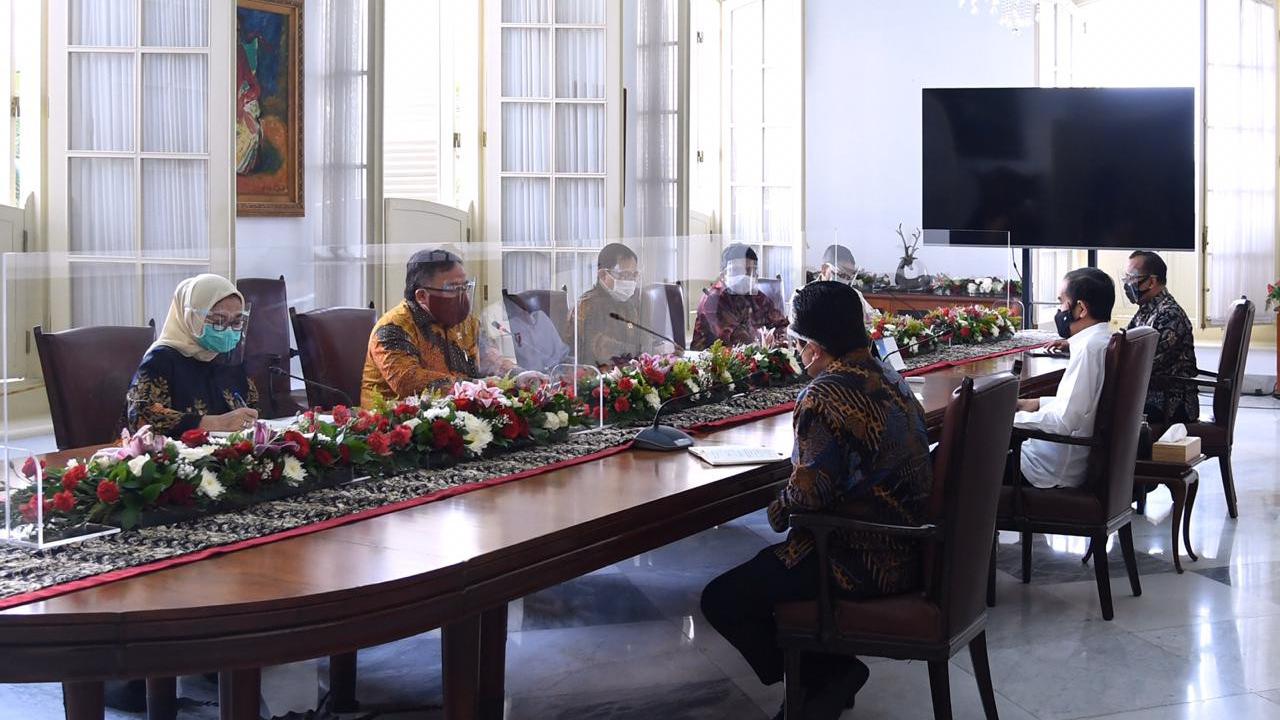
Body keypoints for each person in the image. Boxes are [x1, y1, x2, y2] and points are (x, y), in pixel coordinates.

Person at [700, 281, 934, 720]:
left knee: (724, 600)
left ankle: (824, 676)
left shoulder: (825, 393)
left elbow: (809, 496)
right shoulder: (890, 376)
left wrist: (776, 507)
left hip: (857, 558)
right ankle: (827, 673)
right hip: (913, 547)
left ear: (814, 347)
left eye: (797, 341)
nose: (796, 351)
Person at [361, 248, 509, 407]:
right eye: (452, 288)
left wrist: (518, 376)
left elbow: (491, 359)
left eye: (464, 286)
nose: (461, 295)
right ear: (421, 296)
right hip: (396, 418)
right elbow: (408, 381)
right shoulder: (392, 328)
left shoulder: (466, 323)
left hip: (457, 413)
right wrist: (476, 386)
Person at [1015, 268, 1114, 489]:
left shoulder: (1089, 350)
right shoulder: (1102, 340)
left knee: (958, 454)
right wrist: (1035, 403)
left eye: (1061, 302)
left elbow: (1064, 422)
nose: (1059, 310)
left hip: (1046, 470)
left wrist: (1005, 419)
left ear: (1081, 309)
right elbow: (1082, 407)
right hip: (1057, 459)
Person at [126, 274, 259, 437]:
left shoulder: (227, 357)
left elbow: (251, 406)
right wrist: (216, 423)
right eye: (218, 321)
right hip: (172, 451)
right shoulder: (161, 359)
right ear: (192, 317)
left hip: (227, 449)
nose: (228, 330)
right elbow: (141, 417)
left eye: (236, 322)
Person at [1124, 251, 1199, 424]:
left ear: (1151, 281)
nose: (1127, 284)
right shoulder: (1147, 309)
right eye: (1126, 278)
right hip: (1148, 394)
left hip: (1170, 401)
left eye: (1131, 278)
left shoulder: (1169, 315)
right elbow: (1125, 343)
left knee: (1103, 408)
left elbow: (1147, 364)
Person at [691, 243, 788, 350]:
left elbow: (781, 325)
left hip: (753, 356)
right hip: (714, 358)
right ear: (723, 275)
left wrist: (778, 341)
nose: (744, 276)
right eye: (737, 270)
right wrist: (764, 341)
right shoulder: (713, 300)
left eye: (750, 270)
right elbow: (735, 340)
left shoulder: (757, 297)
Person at [571, 243, 652, 367]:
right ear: (603, 275)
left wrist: (659, 348)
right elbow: (603, 348)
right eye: (624, 275)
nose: (630, 281)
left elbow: (640, 337)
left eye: (633, 275)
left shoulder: (627, 304)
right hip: (594, 374)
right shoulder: (587, 305)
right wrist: (642, 350)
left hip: (626, 370)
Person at [501, 292, 572, 373]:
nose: (522, 314)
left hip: (558, 371)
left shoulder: (541, 318)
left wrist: (570, 364)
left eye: (521, 310)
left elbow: (561, 352)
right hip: (531, 376)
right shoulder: (511, 329)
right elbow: (513, 364)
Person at [813, 244, 877, 327]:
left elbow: (874, 318)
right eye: (841, 275)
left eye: (848, 277)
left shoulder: (855, 295)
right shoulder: (803, 295)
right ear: (824, 269)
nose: (845, 281)